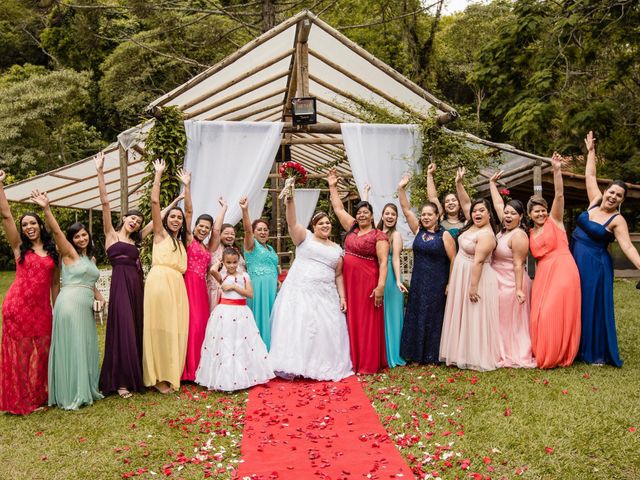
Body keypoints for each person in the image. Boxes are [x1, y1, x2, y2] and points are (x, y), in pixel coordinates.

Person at [268, 186, 353, 381]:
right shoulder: (303, 237)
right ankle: (297, 365)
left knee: (324, 329)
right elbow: (292, 223)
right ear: (314, 226)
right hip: (300, 292)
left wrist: (342, 297)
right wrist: (290, 200)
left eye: (327, 223)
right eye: (320, 223)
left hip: (326, 294)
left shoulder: (337, 248)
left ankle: (320, 364)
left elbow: (338, 274)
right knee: (301, 326)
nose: (325, 225)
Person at [570, 132, 640, 366]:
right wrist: (591, 152)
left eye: (618, 196)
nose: (612, 196)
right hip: (575, 258)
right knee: (575, 301)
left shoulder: (618, 220)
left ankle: (594, 351)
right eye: (611, 191)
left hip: (596, 265)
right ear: (606, 190)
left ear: (621, 201)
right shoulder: (594, 201)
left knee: (592, 304)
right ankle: (573, 346)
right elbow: (590, 175)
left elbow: (628, 247)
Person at [30, 191, 104, 410]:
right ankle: (72, 391)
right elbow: (56, 231)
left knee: (85, 344)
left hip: (86, 306)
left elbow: (90, 283)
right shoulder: (69, 253)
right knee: (73, 345)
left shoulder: (90, 258)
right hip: (70, 303)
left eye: (84, 235)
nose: (81, 239)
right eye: (77, 236)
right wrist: (46, 208)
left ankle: (87, 386)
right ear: (71, 240)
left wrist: (99, 298)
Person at [0, 171, 59, 415]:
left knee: (43, 353)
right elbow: (5, 216)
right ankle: (21, 401)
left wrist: (57, 310)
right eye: (25, 225)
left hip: (42, 310)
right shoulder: (18, 248)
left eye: (32, 223)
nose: (28, 227)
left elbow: (55, 285)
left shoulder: (53, 251)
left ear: (39, 225)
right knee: (22, 356)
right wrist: (0, 184)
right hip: (17, 306)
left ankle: (38, 395)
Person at [327, 169, 389, 374]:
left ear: (372, 216)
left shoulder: (379, 235)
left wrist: (380, 286)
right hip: (349, 281)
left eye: (366, 212)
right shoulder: (352, 228)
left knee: (366, 321)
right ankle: (352, 359)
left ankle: (368, 362)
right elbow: (337, 208)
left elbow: (382, 263)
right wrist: (333, 186)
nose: (361, 215)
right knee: (351, 319)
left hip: (367, 281)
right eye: (359, 212)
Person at [528, 153, 581, 369]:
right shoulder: (530, 232)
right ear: (530, 215)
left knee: (554, 311)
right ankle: (542, 351)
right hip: (543, 274)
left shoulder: (555, 220)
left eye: (543, 210)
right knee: (538, 314)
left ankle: (559, 354)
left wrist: (556, 170)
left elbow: (559, 196)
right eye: (536, 211)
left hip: (563, 269)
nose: (541, 213)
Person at [195, 248, 274, 391]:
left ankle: (241, 376)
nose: (231, 265)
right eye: (228, 262)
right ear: (224, 263)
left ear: (239, 261)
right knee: (226, 343)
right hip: (224, 312)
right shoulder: (222, 276)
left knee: (240, 343)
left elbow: (250, 294)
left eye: (234, 262)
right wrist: (219, 262)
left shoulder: (244, 276)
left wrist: (234, 287)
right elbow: (212, 270)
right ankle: (225, 377)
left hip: (241, 312)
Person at [439, 198, 504, 371]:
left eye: (482, 210)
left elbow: (479, 262)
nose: (477, 213)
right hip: (461, 273)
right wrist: (459, 183)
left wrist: (473, 286)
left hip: (476, 277)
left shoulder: (487, 235)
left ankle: (473, 355)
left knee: (473, 315)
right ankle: (458, 352)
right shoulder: (471, 225)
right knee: (461, 312)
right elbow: (466, 201)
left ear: (489, 214)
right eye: (475, 210)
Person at [397, 175, 456, 364]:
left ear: (437, 216)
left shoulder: (444, 235)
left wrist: (449, 283)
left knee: (433, 316)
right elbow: (406, 210)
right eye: (423, 214)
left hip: (437, 283)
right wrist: (401, 189)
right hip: (418, 281)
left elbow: (454, 260)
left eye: (429, 214)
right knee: (416, 314)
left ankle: (431, 355)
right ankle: (415, 355)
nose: (425, 217)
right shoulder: (418, 231)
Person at [142, 160, 189, 394]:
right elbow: (154, 201)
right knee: (158, 327)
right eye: (172, 216)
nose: (176, 220)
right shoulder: (159, 234)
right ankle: (158, 376)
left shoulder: (181, 242)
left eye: (179, 218)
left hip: (177, 286)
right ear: (166, 219)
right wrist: (158, 175)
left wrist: (186, 191)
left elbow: (189, 211)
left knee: (175, 328)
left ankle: (172, 372)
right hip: (159, 282)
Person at [488, 172, 536, 368]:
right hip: (497, 279)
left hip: (511, 282)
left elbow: (518, 264)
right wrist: (492, 183)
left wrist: (518, 289)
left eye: (512, 213)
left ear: (521, 217)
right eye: (506, 213)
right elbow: (499, 204)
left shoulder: (519, 236)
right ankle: (497, 349)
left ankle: (510, 352)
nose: (507, 215)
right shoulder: (503, 230)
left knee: (509, 320)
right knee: (498, 318)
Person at [180, 174, 217, 382]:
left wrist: (223, 210)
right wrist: (187, 186)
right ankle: (189, 369)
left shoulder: (206, 247)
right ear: (195, 227)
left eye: (207, 228)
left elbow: (219, 231)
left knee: (202, 325)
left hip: (201, 289)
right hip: (188, 286)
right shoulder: (188, 240)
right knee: (191, 326)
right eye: (201, 226)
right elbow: (188, 211)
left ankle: (201, 368)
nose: (203, 229)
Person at [241, 196, 278, 350]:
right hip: (258, 288)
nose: (263, 232)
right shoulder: (251, 245)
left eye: (265, 229)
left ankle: (273, 350)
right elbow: (247, 229)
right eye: (259, 230)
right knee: (259, 316)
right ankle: (258, 352)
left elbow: (275, 267)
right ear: (254, 232)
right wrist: (245, 210)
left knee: (273, 318)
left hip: (272, 288)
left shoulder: (271, 248)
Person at [376, 202, 407, 368]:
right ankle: (380, 352)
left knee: (392, 316)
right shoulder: (377, 232)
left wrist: (397, 280)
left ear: (396, 218)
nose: (389, 216)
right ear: (382, 215)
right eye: (387, 213)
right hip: (377, 275)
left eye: (393, 214)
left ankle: (393, 354)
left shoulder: (396, 235)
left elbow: (395, 258)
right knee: (379, 314)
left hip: (391, 276)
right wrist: (365, 195)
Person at [206, 199, 246, 311]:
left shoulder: (236, 251)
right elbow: (216, 230)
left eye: (232, 234)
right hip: (217, 294)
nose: (230, 236)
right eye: (227, 233)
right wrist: (224, 208)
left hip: (235, 294)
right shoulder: (215, 248)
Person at [426, 163, 471, 238]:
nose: (450, 203)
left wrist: (458, 183)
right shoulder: (440, 220)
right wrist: (429, 174)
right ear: (444, 206)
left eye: (453, 200)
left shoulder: (466, 222)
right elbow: (433, 197)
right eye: (447, 201)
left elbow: (466, 203)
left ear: (460, 204)